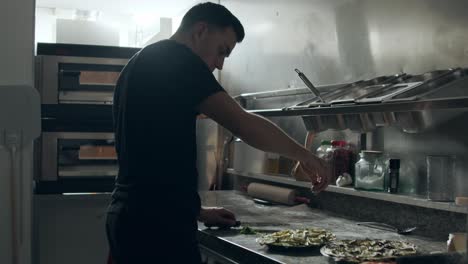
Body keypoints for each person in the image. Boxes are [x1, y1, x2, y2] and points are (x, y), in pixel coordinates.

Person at [106, 2, 330, 263]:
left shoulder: (142, 61)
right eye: (221, 51)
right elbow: (243, 123)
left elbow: (150, 159)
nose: (221, 65)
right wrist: (305, 155)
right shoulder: (179, 61)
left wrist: (196, 212)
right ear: (201, 30)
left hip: (132, 216)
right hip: (156, 227)